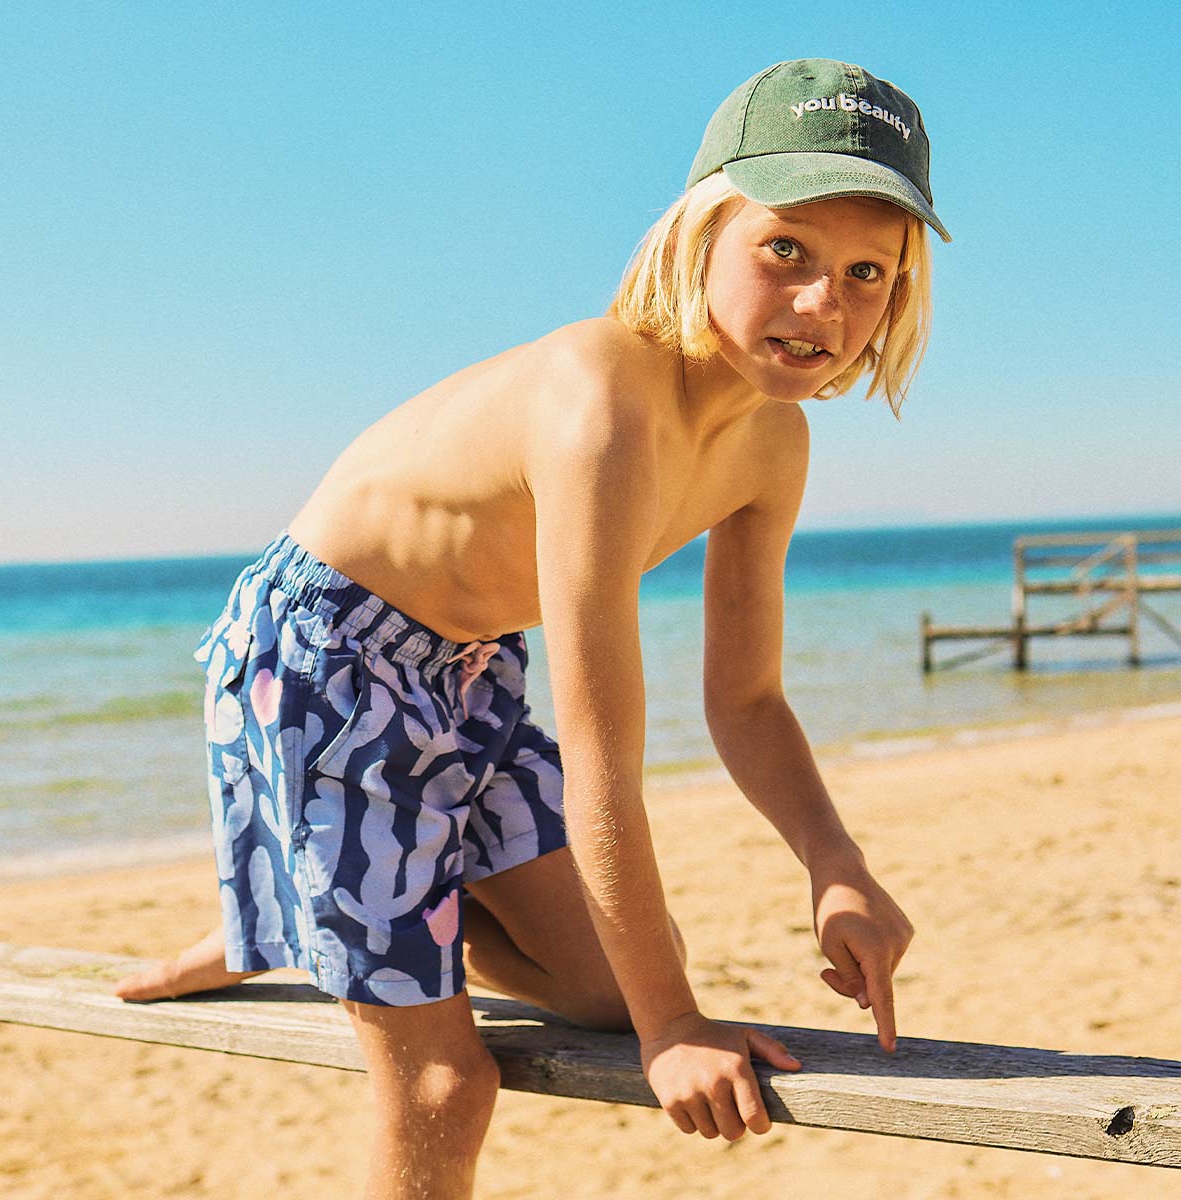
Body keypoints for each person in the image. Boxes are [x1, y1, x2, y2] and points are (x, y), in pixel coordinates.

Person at [116, 57, 946, 1199]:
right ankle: (331, 916)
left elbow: (745, 699)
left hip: (468, 665)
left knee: (604, 985)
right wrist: (672, 1034)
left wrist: (836, 866)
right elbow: (605, 754)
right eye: (785, 251)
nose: (823, 305)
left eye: (868, 273)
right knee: (447, 1090)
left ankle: (332, 918)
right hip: (323, 660)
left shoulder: (773, 444)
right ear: (699, 233)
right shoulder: (601, 400)